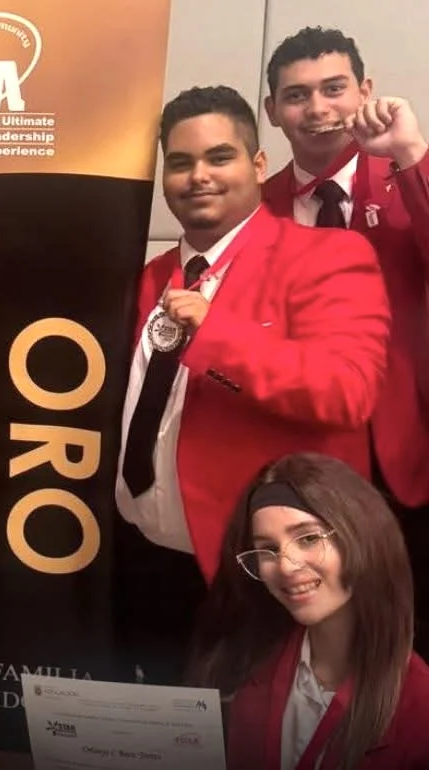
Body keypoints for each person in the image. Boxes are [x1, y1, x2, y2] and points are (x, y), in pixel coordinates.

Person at [112, 85, 390, 686]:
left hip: (257, 572)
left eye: (219, 157)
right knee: (156, 723)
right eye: (180, 163)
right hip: (141, 561)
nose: (198, 176)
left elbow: (348, 392)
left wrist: (217, 335)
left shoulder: (327, 256)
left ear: (259, 164)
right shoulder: (150, 277)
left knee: (249, 727)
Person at [261, 25, 429, 658]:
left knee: (406, 640)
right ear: (273, 111)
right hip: (300, 462)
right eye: (296, 95)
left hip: (405, 457)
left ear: (365, 90)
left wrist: (409, 153)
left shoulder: (406, 175)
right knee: (306, 643)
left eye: (334, 88)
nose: (318, 108)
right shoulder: (256, 206)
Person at [188, 453, 429, 769]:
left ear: (362, 537)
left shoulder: (419, 707)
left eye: (309, 538)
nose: (286, 567)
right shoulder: (242, 669)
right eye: (268, 549)